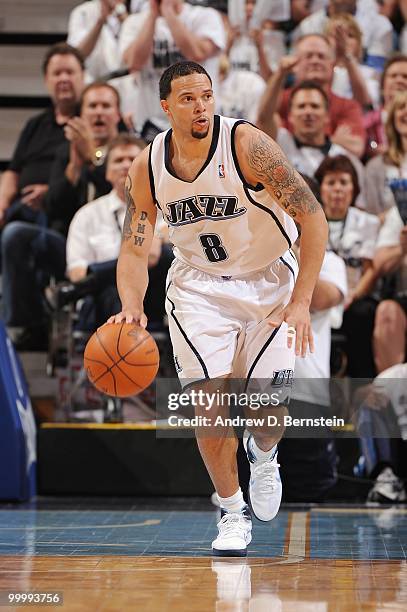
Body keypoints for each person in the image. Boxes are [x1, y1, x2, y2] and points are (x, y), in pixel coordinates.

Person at [108, 60, 328, 556]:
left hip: (269, 280)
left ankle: (263, 453)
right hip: (198, 287)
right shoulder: (147, 165)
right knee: (208, 402)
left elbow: (312, 218)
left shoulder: (248, 146)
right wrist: (130, 306)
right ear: (165, 107)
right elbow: (132, 245)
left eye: (206, 96)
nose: (200, 106)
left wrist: (300, 303)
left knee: (266, 407)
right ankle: (232, 512)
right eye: (188, 99)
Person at [0, 43, 84, 227]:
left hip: (64, 211)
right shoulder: (35, 124)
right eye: (57, 73)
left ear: (83, 76)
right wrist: (2, 203)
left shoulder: (90, 119)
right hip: (21, 208)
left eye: (70, 72)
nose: (63, 78)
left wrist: (49, 191)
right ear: (46, 80)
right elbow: (14, 171)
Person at [119, 0, 226, 136]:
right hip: (151, 123)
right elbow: (133, 62)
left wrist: (169, 13)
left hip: (201, 120)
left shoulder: (204, 16)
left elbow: (197, 53)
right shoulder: (134, 22)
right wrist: (153, 15)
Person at [315, 154, 380, 378]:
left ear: (353, 188)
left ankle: (362, 384)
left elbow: (370, 269)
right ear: (320, 189)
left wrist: (351, 295)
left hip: (355, 296)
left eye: (344, 182)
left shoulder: (367, 222)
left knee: (362, 314)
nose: (337, 189)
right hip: (323, 292)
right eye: (331, 182)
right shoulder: (310, 221)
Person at [256, 34, 366, 158]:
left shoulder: (347, 106)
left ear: (332, 63)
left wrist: (318, 141)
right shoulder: (279, 101)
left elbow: (356, 148)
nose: (315, 61)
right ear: (295, 63)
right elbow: (264, 125)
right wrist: (333, 140)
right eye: (308, 56)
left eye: (321, 56)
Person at [67, 0, 128, 82]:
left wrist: (126, 20)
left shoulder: (138, 10)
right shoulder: (83, 12)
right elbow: (78, 54)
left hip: (127, 81)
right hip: (93, 82)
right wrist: (101, 21)